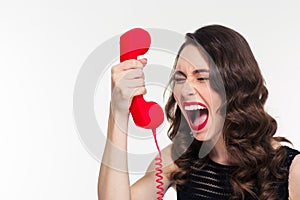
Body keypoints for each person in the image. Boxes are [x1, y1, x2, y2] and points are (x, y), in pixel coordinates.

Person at [98, 25, 300, 200]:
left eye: (201, 78)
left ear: (234, 88)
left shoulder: (291, 170)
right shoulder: (177, 160)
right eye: (180, 78)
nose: (186, 89)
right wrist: (119, 110)